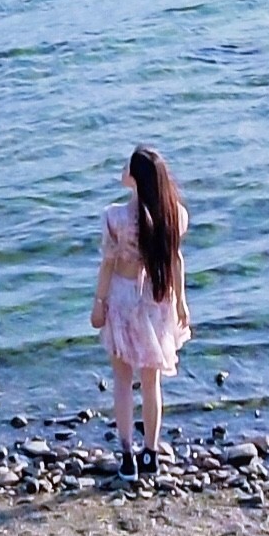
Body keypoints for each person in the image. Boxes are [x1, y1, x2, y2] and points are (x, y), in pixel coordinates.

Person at [91, 145, 190, 480]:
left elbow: (108, 265)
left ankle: (127, 455)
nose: (122, 170)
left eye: (126, 167)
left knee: (122, 380)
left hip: (121, 299)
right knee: (151, 381)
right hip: (156, 301)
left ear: (135, 179)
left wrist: (98, 303)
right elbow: (175, 261)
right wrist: (180, 302)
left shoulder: (115, 218)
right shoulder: (173, 214)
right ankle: (151, 452)